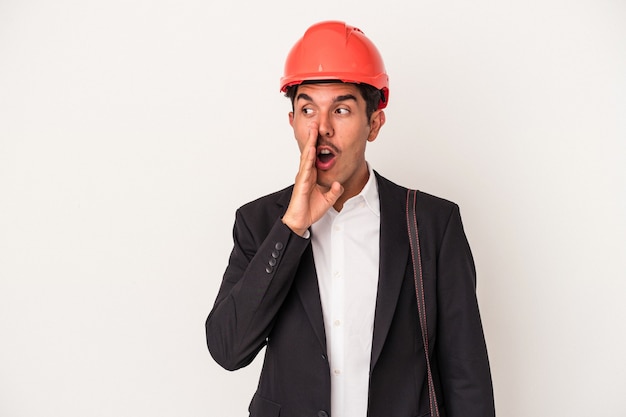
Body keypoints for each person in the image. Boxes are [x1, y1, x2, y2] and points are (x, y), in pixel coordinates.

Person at [205, 20, 495, 417]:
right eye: (307, 109)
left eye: (341, 109)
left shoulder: (431, 224)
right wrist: (291, 230)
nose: (321, 129)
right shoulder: (259, 223)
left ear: (374, 123)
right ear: (292, 122)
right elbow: (227, 349)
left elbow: (468, 376)